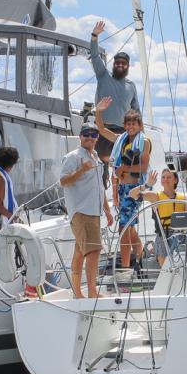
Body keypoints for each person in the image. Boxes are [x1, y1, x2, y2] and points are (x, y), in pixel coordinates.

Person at [95, 101, 150, 274]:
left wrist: (124, 168)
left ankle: (126, 269)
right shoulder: (121, 139)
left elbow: (143, 167)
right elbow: (102, 130)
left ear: (139, 126)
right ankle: (139, 262)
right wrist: (99, 112)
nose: (130, 126)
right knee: (129, 228)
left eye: (133, 124)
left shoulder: (144, 142)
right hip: (122, 188)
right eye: (127, 123)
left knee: (123, 228)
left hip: (135, 189)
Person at [60, 128, 113, 297]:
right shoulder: (72, 157)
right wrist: (82, 170)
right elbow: (63, 180)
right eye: (86, 134)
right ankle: (91, 292)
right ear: (80, 137)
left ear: (97, 138)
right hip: (82, 211)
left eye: (94, 135)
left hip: (93, 211)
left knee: (81, 251)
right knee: (94, 250)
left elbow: (99, 186)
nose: (90, 137)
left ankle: (77, 292)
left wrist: (107, 209)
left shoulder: (95, 157)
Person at [88, 21, 140, 183]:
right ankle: (102, 185)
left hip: (120, 132)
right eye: (117, 63)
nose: (120, 65)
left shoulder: (131, 86)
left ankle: (117, 191)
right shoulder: (103, 75)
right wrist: (94, 36)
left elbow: (136, 112)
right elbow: (95, 56)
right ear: (113, 65)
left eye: (123, 63)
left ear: (127, 66)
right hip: (101, 128)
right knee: (99, 163)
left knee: (119, 166)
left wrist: (139, 134)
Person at [129, 168, 187, 265]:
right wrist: (147, 185)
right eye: (163, 177)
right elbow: (132, 194)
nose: (165, 179)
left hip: (181, 234)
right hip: (163, 235)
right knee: (165, 269)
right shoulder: (155, 197)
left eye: (169, 177)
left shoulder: (184, 197)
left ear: (176, 180)